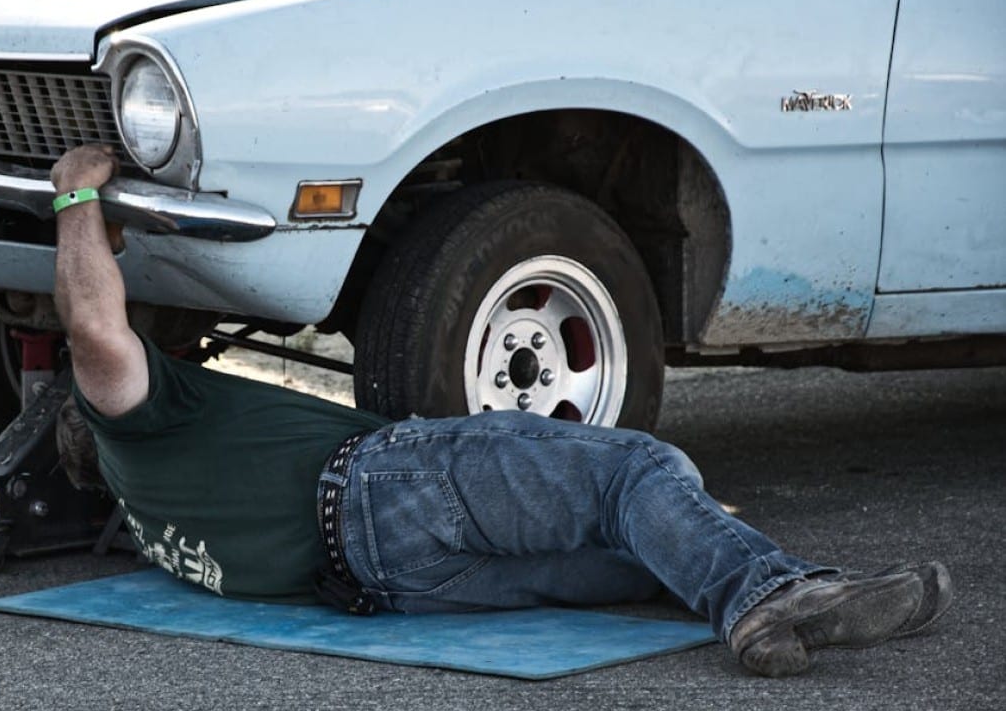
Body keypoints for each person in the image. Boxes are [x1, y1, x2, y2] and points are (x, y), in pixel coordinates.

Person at [50, 145, 951, 678]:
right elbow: (93, 328)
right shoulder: (135, 427)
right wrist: (77, 194)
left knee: (645, 553)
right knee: (632, 469)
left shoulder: (157, 526)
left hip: (396, 586)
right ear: (98, 426)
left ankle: (776, 599)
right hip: (388, 487)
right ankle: (772, 597)